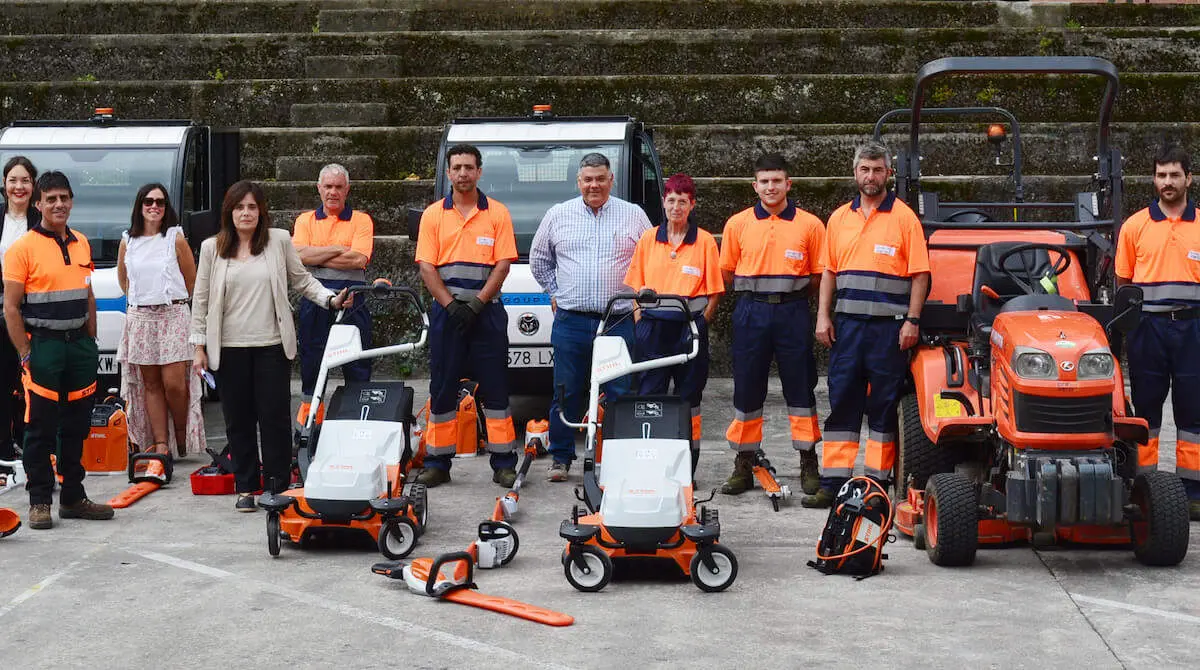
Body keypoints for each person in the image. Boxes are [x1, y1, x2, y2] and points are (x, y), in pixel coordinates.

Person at [191, 180, 351, 512]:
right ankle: (246, 487)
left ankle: (276, 486)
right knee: (238, 419)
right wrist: (198, 347)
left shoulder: (278, 241)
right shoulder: (212, 248)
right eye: (239, 207)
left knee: (274, 418)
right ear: (229, 212)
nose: (245, 213)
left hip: (272, 346)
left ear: (261, 211)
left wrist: (331, 300)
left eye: (251, 207)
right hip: (229, 348)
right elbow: (201, 301)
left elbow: (302, 280)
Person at [802, 142, 930, 508]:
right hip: (846, 328)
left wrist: (912, 321)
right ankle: (833, 483)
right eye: (864, 169)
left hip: (888, 331)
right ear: (855, 172)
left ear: (888, 173)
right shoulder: (839, 218)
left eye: (877, 169)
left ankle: (875, 487)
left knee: (883, 407)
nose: (870, 176)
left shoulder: (905, 218)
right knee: (842, 401)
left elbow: (920, 274)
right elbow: (829, 272)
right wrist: (823, 316)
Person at [530, 152, 652, 481]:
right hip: (572, 321)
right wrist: (556, 293)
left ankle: (619, 457)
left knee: (621, 391)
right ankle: (561, 457)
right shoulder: (558, 215)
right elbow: (539, 260)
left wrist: (640, 303)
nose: (594, 185)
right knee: (566, 390)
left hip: (618, 320)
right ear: (578, 182)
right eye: (588, 179)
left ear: (611, 180)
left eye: (600, 178)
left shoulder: (634, 215)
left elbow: (649, 260)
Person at [3, 171, 112, 529]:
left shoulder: (81, 242)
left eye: (64, 198)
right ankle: (39, 501)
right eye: (50, 199)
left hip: (79, 347)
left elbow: (88, 294)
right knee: (39, 427)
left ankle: (72, 497)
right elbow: (11, 308)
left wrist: (91, 340)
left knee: (77, 425)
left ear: (71, 201)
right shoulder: (23, 249)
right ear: (39, 204)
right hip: (44, 347)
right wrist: (25, 353)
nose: (58, 205)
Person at [718, 154, 826, 496]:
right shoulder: (737, 224)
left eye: (776, 180)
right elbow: (727, 271)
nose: (770, 187)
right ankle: (744, 463)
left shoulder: (810, 225)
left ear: (788, 184)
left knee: (800, 390)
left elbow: (818, 277)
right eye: (764, 181)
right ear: (755, 186)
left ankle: (808, 461)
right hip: (751, 313)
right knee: (747, 390)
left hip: (793, 312)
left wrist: (789, 296)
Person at [414, 144, 519, 487]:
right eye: (456, 167)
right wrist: (450, 305)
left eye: (469, 167)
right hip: (447, 313)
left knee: (496, 388)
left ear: (479, 171)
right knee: (443, 387)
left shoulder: (498, 213)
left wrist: (477, 304)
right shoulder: (433, 215)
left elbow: (503, 264)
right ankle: (437, 462)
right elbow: (427, 267)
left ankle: (503, 462)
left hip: (486, 313)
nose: (462, 173)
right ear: (448, 172)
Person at [1116, 144, 1200, 521]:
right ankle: (1144, 486)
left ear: (1189, 178)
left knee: (1194, 413)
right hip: (1147, 330)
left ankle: (1192, 492)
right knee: (1146, 412)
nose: (1167, 182)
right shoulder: (1134, 226)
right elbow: (1124, 283)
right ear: (1153, 179)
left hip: (1193, 328)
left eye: (1174, 175)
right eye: (1161, 175)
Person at [623, 173, 723, 477]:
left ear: (692, 204)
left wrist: (699, 324)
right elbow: (634, 287)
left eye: (682, 201)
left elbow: (715, 292)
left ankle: (686, 468)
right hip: (652, 328)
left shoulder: (704, 241)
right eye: (671, 201)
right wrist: (641, 321)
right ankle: (649, 464)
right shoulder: (649, 239)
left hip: (688, 329)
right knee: (649, 395)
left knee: (688, 398)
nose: (676, 207)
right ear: (663, 204)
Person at [116, 184, 203, 461]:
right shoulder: (127, 241)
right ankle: (161, 444)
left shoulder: (175, 238)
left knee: (175, 384)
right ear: (139, 206)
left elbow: (193, 282)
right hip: (141, 317)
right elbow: (123, 281)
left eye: (161, 203)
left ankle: (181, 433)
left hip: (173, 315)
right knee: (150, 384)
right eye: (149, 202)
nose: (155, 207)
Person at [291, 164, 374, 427]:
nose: (333, 192)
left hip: (353, 303)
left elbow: (359, 259)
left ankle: (356, 424)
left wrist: (317, 254)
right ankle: (310, 427)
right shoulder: (305, 220)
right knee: (312, 366)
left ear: (347, 189)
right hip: (314, 302)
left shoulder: (361, 219)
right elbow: (298, 257)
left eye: (338, 187)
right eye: (328, 186)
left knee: (357, 365)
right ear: (319, 188)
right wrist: (339, 249)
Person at [0, 156, 38, 488]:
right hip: (0, 312)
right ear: (4, 185)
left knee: (31, 385)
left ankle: (34, 453)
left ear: (33, 186)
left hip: (32, 314)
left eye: (25, 180)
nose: (19, 187)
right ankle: (2, 452)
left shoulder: (42, 222)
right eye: (13, 180)